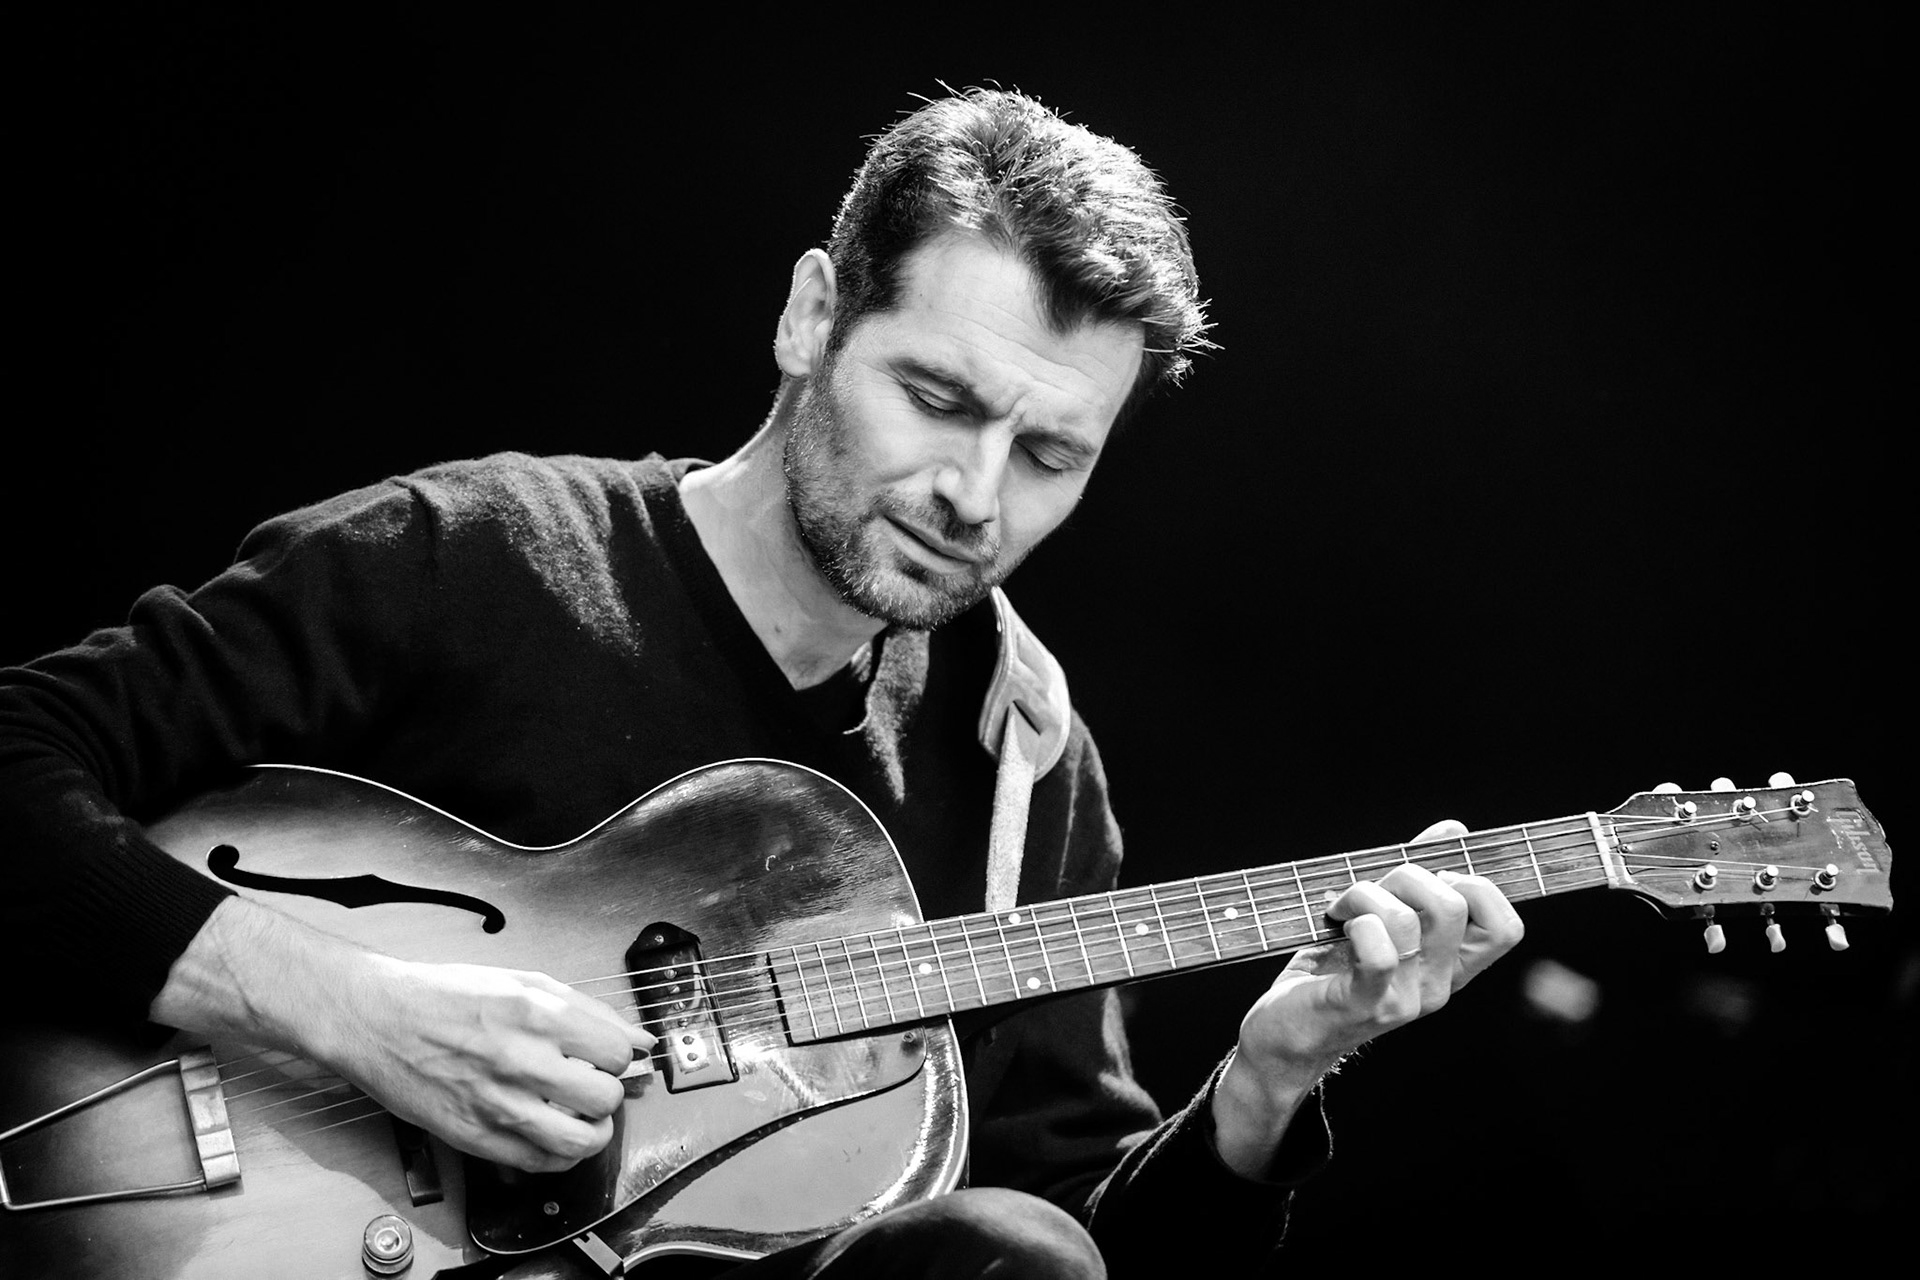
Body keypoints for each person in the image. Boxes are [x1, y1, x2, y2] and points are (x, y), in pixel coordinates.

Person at [0, 88, 1524, 1276]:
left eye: (1051, 454)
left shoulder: (1025, 763)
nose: (975, 496)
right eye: (937, 399)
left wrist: (1266, 1084)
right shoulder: (475, 555)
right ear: (813, 316)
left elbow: (1071, 1244)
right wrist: (351, 1011)